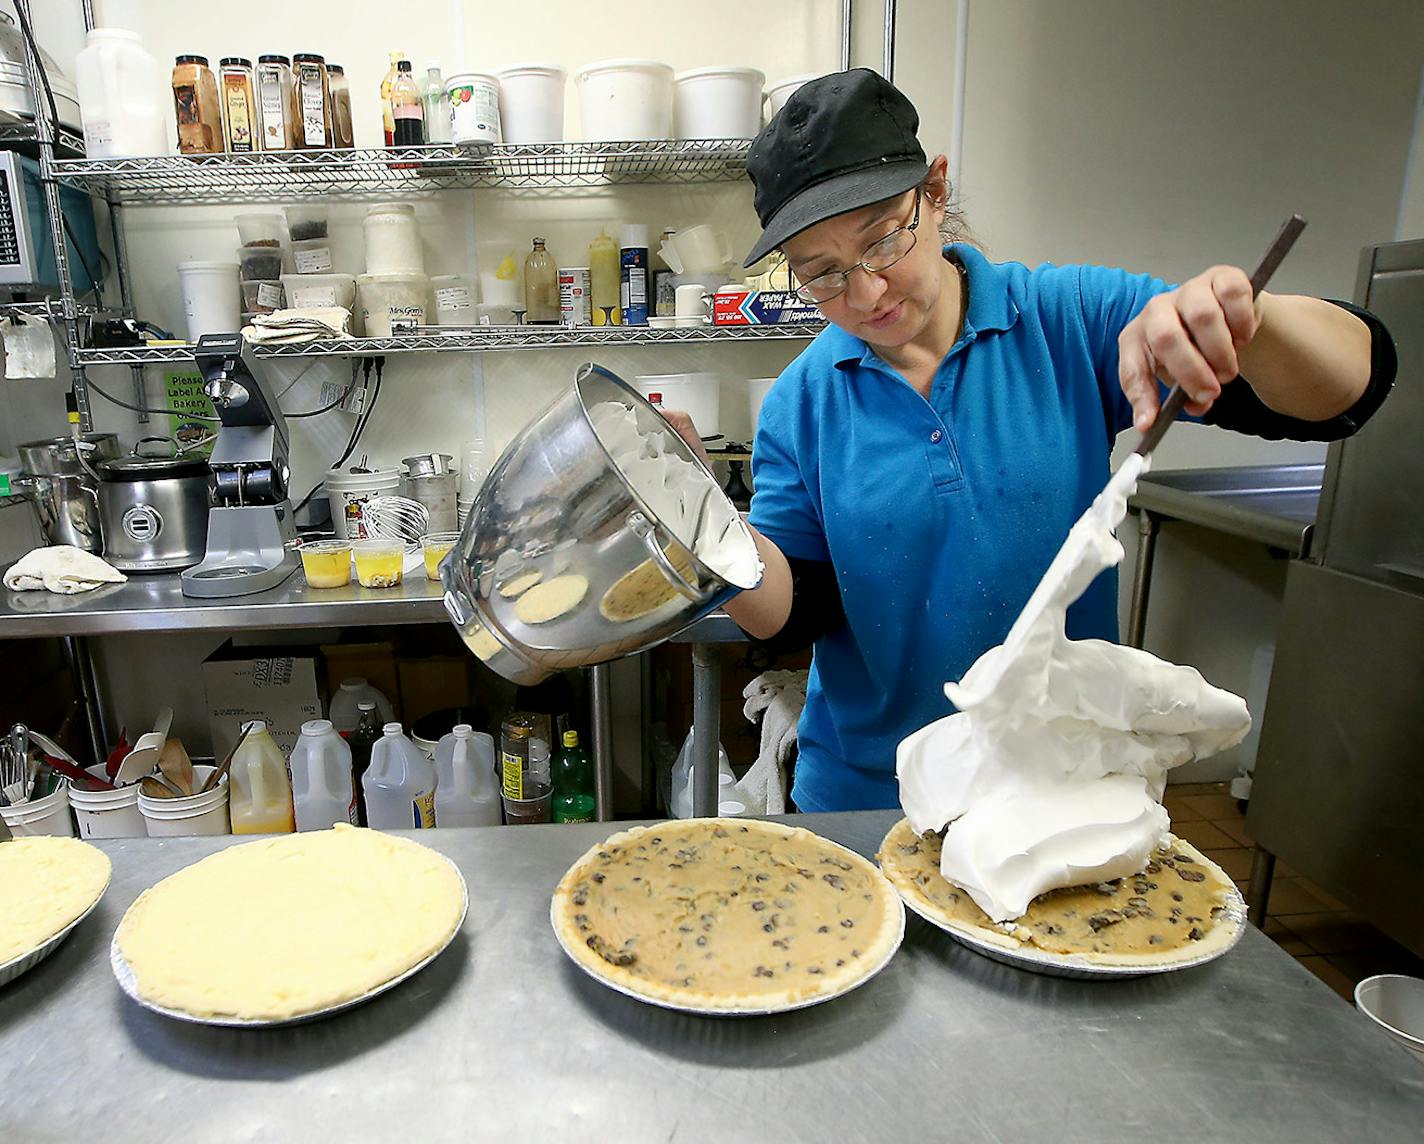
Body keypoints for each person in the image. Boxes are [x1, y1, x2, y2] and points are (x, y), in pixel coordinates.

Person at [664, 69, 1396, 814]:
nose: (867, 293)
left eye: (884, 241)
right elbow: (800, 608)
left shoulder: (1066, 320)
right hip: (869, 798)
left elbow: (1346, 392)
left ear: (936, 192)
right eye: (821, 274)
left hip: (1058, 794)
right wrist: (701, 526)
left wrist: (1257, 321)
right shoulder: (803, 401)